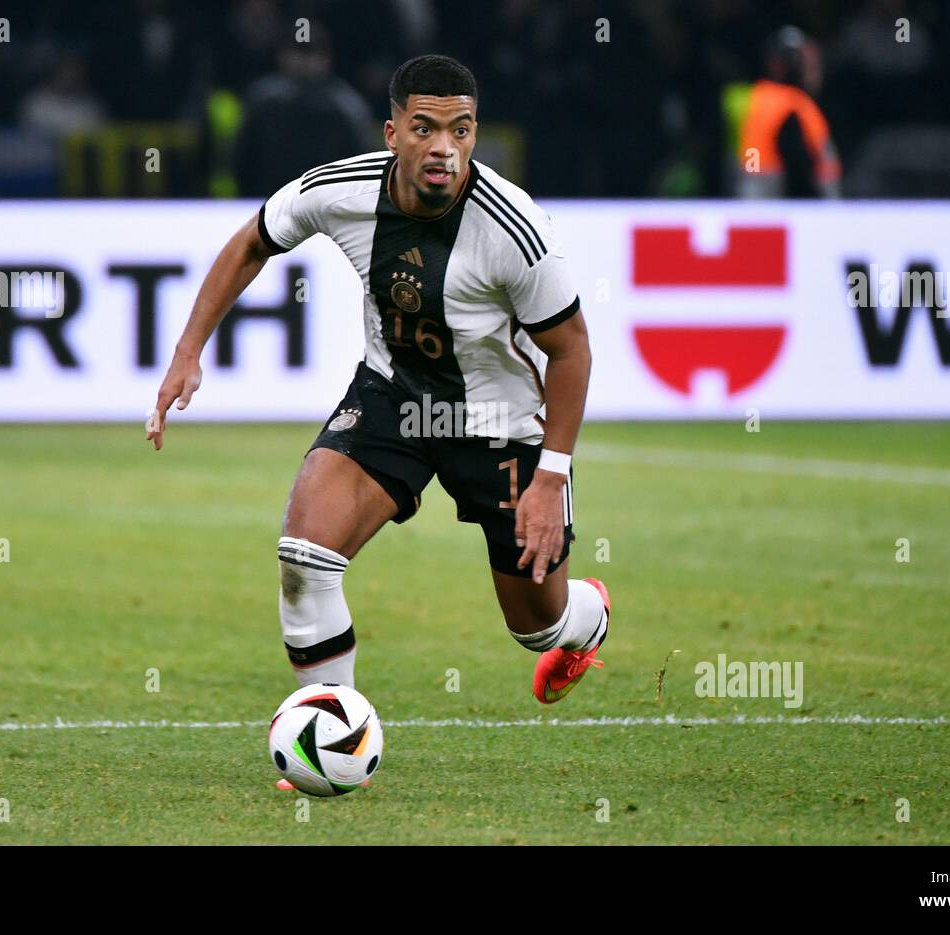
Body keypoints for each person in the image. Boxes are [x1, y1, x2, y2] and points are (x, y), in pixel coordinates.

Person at [148, 55, 610, 740]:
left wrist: (551, 475)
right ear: (392, 132)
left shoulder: (517, 230)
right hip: (395, 397)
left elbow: (570, 349)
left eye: (461, 130)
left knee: (535, 625)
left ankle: (587, 616)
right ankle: (334, 739)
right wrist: (188, 350)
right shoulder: (340, 191)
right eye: (425, 128)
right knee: (305, 557)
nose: (444, 149)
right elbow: (252, 240)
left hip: (500, 423)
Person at [736, 26, 841, 198]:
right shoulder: (793, 107)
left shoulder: (756, 98)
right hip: (786, 207)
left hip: (751, 197)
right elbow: (801, 170)